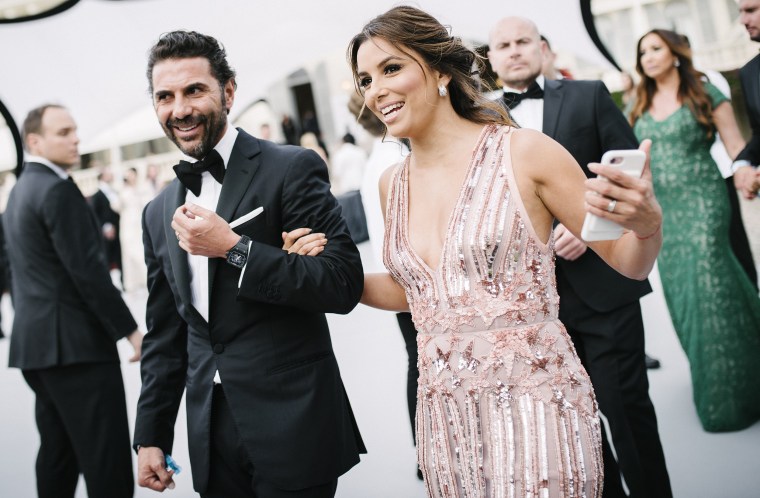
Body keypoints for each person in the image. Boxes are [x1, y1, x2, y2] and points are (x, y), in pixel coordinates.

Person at [348, 6, 662, 496]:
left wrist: (646, 227)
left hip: (535, 405)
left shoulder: (525, 151)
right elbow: (417, 292)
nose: (376, 90)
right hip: (445, 415)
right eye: (365, 79)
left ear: (439, 72)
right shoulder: (394, 184)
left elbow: (628, 260)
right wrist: (309, 276)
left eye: (391, 68)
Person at [133, 31, 365, 498]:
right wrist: (150, 435)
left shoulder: (292, 168)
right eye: (165, 96)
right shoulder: (156, 212)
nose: (179, 109)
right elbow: (165, 333)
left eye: (194, 90)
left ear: (229, 91)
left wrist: (233, 248)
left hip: (294, 421)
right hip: (211, 431)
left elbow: (341, 284)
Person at [488, 16, 671, 498]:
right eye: (503, 45)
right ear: (490, 59)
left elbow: (631, 177)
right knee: (573, 427)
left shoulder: (588, 96)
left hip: (602, 286)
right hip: (530, 307)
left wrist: (589, 230)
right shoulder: (480, 121)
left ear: (543, 48)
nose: (514, 51)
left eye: (523, 41)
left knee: (627, 409)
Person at [4, 104, 142, 498]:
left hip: (37, 350)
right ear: (34, 141)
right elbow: (88, 272)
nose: (75, 138)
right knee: (107, 462)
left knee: (59, 454)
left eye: (75, 130)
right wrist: (131, 332)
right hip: (76, 351)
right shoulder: (58, 189)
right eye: (63, 132)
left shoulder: (20, 191)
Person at [630, 28, 760, 432]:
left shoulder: (703, 93)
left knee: (711, 285)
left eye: (655, 49)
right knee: (685, 291)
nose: (648, 57)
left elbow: (738, 146)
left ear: (675, 54)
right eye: (642, 52)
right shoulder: (638, 103)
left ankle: (732, 397)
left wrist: (746, 174)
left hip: (705, 201)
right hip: (664, 212)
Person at [348, 92, 420, 477]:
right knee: (423, 366)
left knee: (418, 363)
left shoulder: (380, 156)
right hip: (410, 280)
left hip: (393, 272)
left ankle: (422, 449)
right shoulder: (397, 159)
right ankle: (427, 448)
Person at [736, 0, 760, 197]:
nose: (743, 20)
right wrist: (743, 165)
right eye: (741, 12)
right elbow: (759, 134)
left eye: (751, 10)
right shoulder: (748, 73)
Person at [88, 163, 123, 287]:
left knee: (120, 257)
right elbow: (94, 214)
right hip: (106, 234)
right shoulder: (97, 195)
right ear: (103, 176)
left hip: (119, 230)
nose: (111, 175)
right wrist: (106, 227)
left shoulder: (114, 191)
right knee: (108, 258)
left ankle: (122, 282)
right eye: (108, 173)